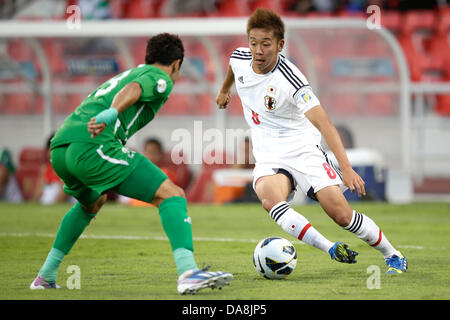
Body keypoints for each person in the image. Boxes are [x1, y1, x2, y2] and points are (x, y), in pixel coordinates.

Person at [30, 33, 233, 294]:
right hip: (94, 144)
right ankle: (188, 272)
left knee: (92, 202)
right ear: (176, 64)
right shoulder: (160, 77)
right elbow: (134, 91)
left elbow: (130, 86)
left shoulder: (132, 72)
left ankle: (45, 276)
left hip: (61, 147)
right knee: (172, 194)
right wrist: (113, 112)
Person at [216, 8, 407, 274]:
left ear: (280, 45)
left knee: (341, 214)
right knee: (270, 199)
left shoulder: (292, 81)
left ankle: (393, 254)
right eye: (253, 43)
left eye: (266, 44)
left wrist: (347, 167)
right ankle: (330, 247)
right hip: (269, 156)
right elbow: (233, 69)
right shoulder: (239, 58)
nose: (258, 50)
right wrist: (225, 90)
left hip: (304, 151)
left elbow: (325, 124)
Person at [32, 133, 71, 205]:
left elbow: (62, 196)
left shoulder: (69, 168)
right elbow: (36, 196)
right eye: (51, 150)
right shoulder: (45, 168)